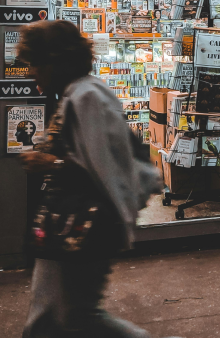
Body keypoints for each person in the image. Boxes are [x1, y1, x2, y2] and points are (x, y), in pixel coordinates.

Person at [17, 20, 162, 338]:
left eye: (36, 64)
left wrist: (49, 162)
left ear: (56, 62)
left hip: (84, 226)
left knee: (77, 317)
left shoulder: (87, 97)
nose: (31, 72)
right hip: (67, 225)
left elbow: (102, 169)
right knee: (54, 319)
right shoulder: (77, 93)